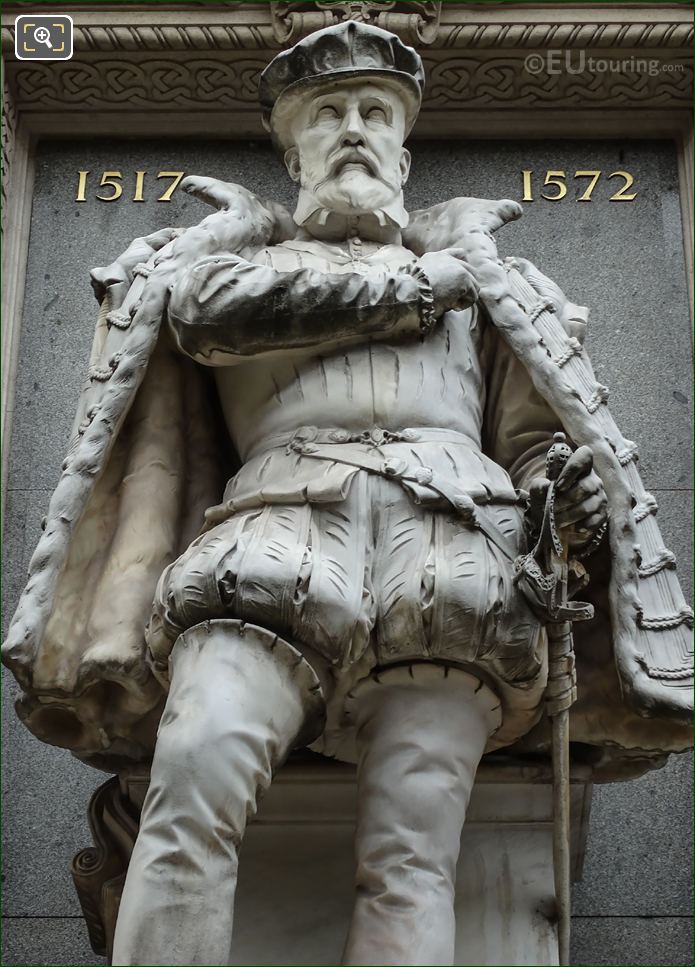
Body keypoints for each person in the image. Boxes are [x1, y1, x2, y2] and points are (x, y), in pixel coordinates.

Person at [3, 21, 690, 967]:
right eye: (328, 115)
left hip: (456, 563)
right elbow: (207, 320)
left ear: (404, 153)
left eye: (374, 113)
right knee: (193, 779)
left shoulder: (495, 290)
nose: (354, 129)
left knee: (411, 857)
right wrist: (429, 280)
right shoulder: (229, 276)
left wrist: (556, 506)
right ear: (294, 152)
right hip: (271, 545)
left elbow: (532, 439)